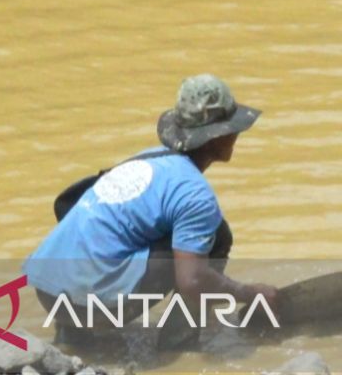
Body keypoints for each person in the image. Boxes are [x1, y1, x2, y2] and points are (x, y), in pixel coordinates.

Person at [22, 74, 279, 347]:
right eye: (231, 129)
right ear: (215, 138)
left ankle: (74, 335)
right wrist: (247, 293)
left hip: (47, 293)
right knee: (215, 240)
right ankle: (179, 344)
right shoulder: (195, 194)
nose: (236, 134)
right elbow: (192, 281)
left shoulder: (148, 157)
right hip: (88, 308)